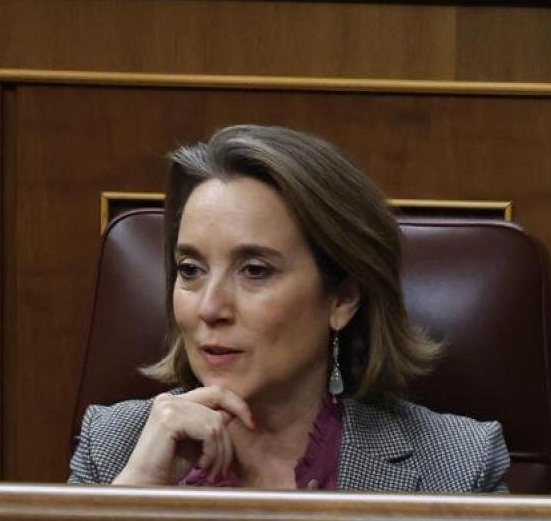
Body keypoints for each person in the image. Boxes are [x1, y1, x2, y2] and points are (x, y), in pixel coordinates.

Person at [68, 124, 508, 492]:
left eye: (255, 271)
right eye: (190, 270)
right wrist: (135, 497)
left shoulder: (458, 466)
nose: (210, 307)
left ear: (342, 299)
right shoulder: (112, 448)